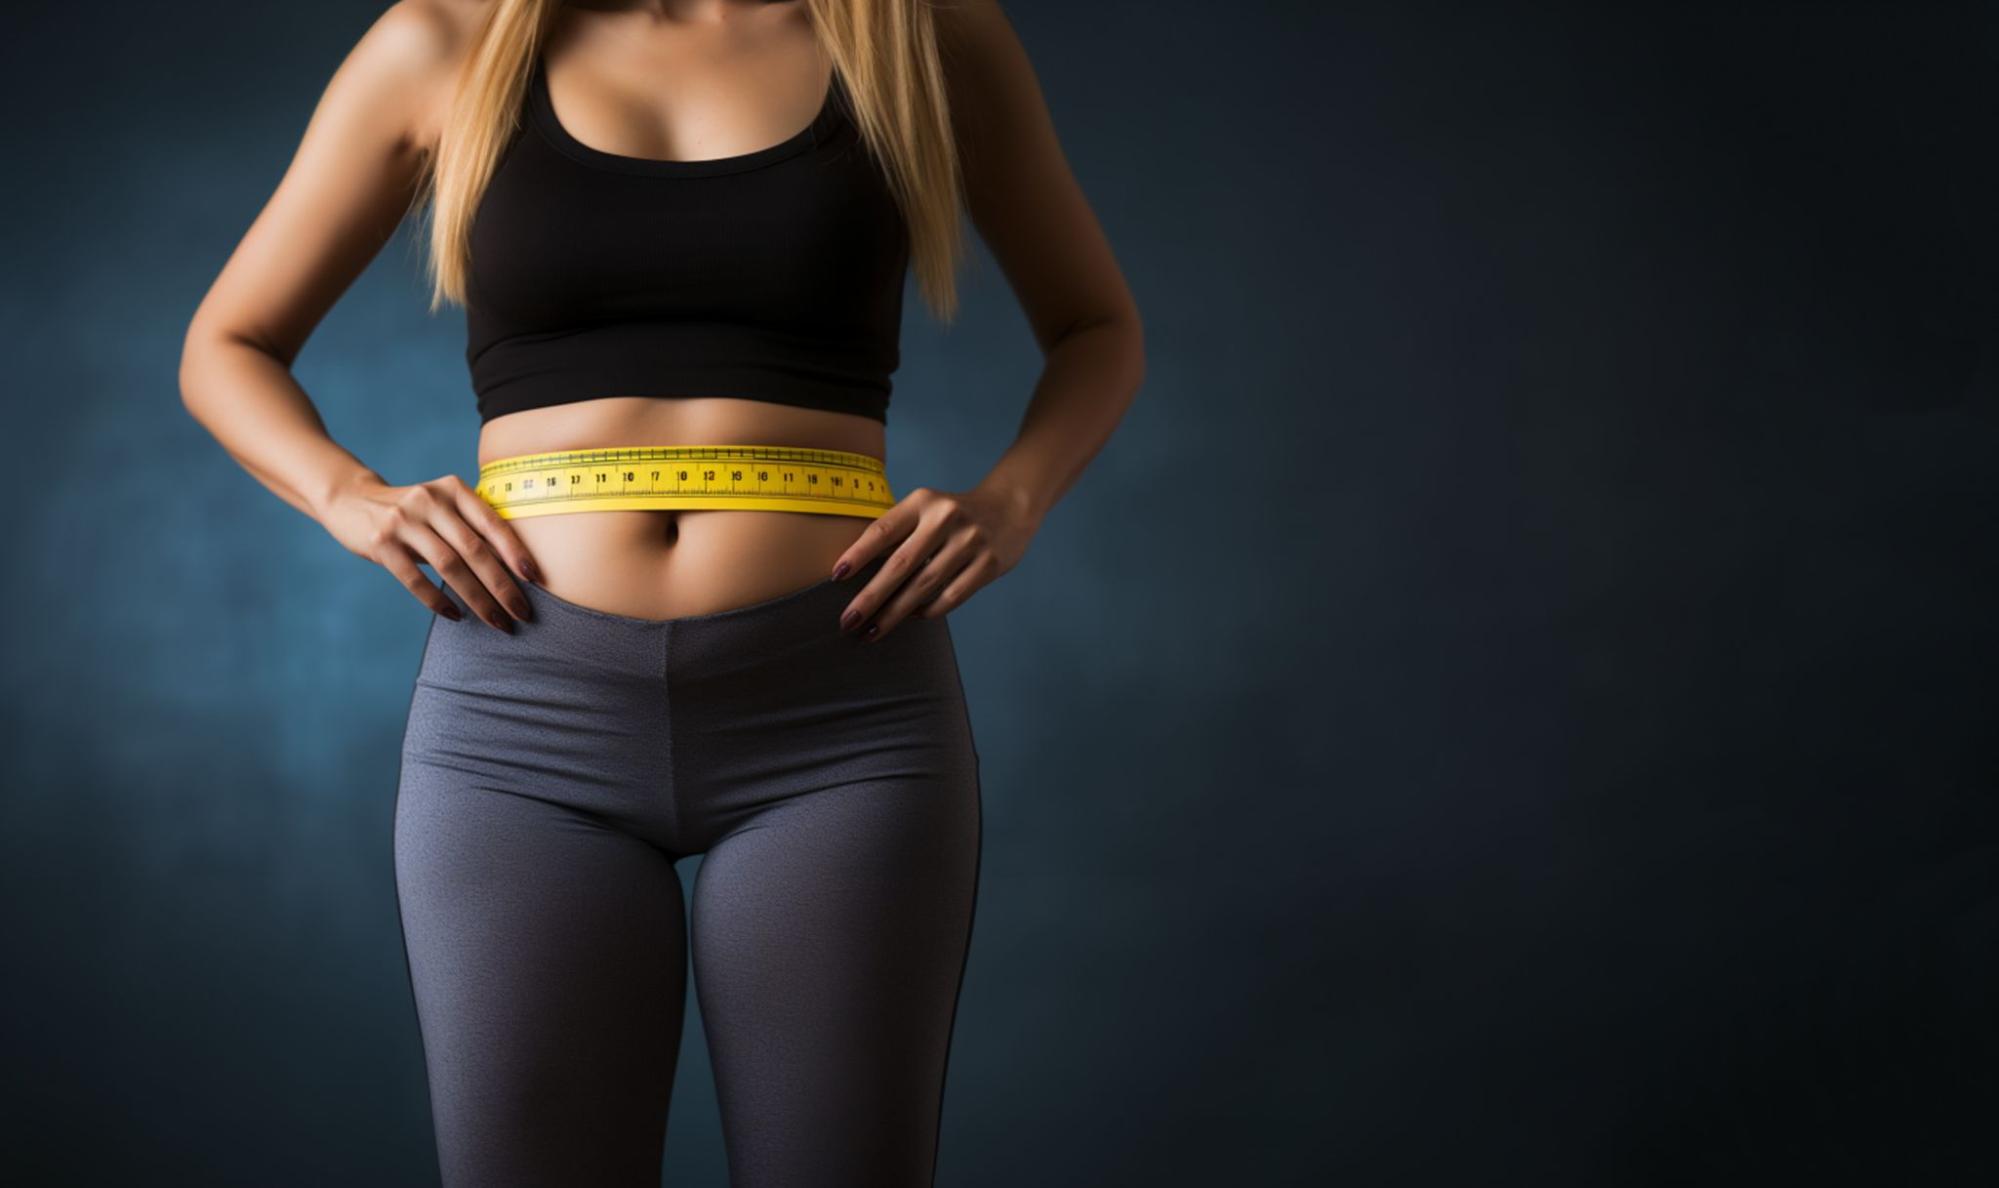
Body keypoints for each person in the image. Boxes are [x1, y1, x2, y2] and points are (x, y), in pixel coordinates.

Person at [177, 1, 1144, 1184]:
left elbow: (1096, 326)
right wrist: (346, 495)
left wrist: (1014, 501)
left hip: (837, 718)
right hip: (524, 724)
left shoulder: (921, 34)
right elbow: (228, 340)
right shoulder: (448, 39)